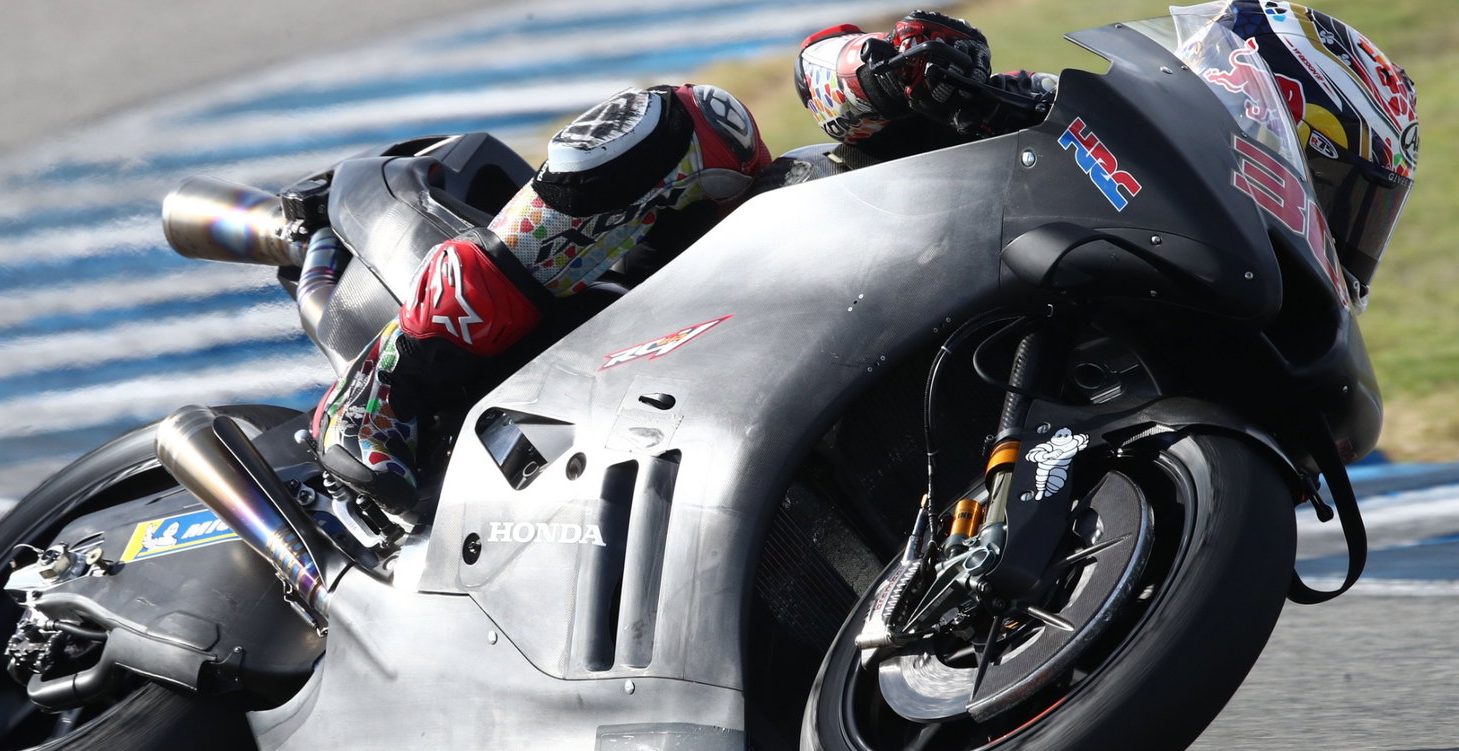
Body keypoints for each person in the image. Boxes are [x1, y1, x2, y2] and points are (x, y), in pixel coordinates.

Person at [308, 2, 1415, 520]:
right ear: (1273, 116)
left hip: (808, 423)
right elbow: (825, 69)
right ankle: (395, 386)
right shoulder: (1081, 125)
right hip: (732, 284)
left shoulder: (1202, 318)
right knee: (696, 125)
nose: (1341, 225)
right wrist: (905, 68)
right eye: (1342, 189)